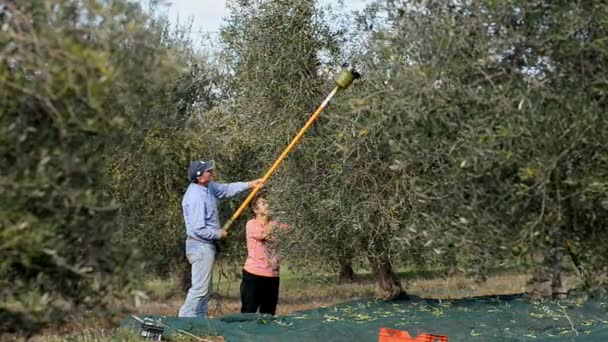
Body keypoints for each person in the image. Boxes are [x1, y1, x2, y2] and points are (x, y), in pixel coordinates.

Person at [178, 159, 262, 318]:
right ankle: (184, 320)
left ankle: (199, 319)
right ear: (199, 177)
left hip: (205, 246)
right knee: (200, 288)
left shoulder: (207, 187)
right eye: (208, 171)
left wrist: (250, 184)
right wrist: (218, 234)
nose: (212, 172)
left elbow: (226, 189)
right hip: (199, 246)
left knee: (205, 288)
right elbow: (198, 229)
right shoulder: (195, 197)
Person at [240, 190, 288, 316]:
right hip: (253, 275)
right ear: (255, 209)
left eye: (269, 202)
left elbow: (292, 231)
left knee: (268, 314)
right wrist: (276, 225)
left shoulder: (276, 224)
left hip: (272, 276)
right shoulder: (251, 224)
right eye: (263, 203)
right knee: (248, 312)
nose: (268, 205)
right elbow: (264, 234)